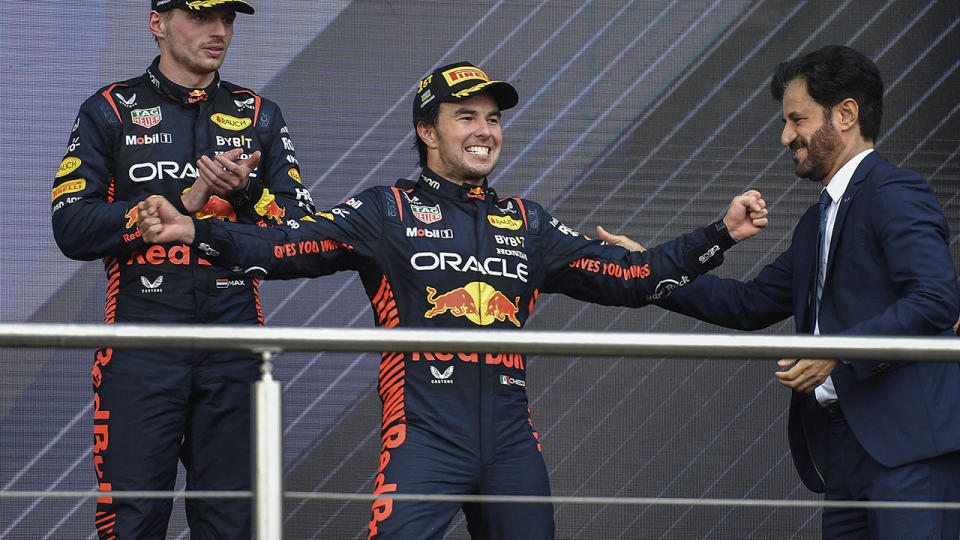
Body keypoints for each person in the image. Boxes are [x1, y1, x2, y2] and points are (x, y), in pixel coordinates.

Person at [138, 60, 768, 539]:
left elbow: (630, 278)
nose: (485, 131)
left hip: (511, 442)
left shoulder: (528, 222)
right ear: (427, 130)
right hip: (423, 437)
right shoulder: (385, 210)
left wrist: (719, 235)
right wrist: (195, 229)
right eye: (466, 117)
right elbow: (285, 246)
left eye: (492, 118)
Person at [600, 45, 960, 538]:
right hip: (843, 451)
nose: (786, 135)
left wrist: (836, 350)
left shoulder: (896, 192)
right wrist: (649, 270)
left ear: (847, 114)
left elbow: (936, 300)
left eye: (797, 119)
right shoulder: (817, 219)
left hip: (908, 452)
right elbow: (747, 305)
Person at [50, 1, 316, 537]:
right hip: (141, 340)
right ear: (158, 23)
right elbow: (71, 225)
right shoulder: (110, 109)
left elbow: (302, 235)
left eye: (229, 19)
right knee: (133, 519)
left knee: (234, 521)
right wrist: (182, 199)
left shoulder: (259, 114)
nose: (219, 31)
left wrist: (248, 192)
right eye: (201, 17)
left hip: (236, 340)